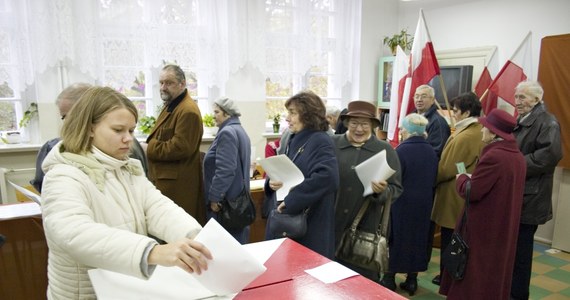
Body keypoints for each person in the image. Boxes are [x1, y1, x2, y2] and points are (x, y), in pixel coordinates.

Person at [41, 86, 212, 299]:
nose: (128, 139)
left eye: (131, 131)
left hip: (121, 288)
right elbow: (75, 233)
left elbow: (157, 208)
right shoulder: (64, 175)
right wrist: (153, 252)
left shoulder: (126, 169)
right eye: (118, 130)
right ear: (90, 128)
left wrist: (196, 237)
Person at [440, 108, 526, 299]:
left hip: (483, 227)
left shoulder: (494, 156)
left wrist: (462, 178)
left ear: (494, 132)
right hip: (502, 226)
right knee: (493, 274)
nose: (481, 131)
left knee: (474, 276)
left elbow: (472, 191)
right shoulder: (517, 157)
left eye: (485, 127)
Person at [30, 83, 148, 193]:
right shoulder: (64, 178)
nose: (128, 138)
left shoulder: (127, 161)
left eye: (66, 116)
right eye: (118, 130)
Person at [332, 100, 403, 282]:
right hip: (331, 225)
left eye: (365, 124)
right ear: (346, 123)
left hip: (365, 229)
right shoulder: (332, 145)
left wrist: (382, 191)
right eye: (354, 123)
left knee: (361, 282)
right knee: (329, 280)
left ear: (373, 125)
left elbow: (396, 189)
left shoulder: (385, 150)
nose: (359, 128)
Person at [265, 91, 339, 258]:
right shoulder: (294, 138)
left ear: (308, 115)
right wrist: (271, 182)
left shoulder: (320, 140)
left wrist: (292, 199)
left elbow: (328, 177)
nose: (287, 118)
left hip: (311, 223)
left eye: (292, 113)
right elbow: (290, 170)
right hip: (294, 220)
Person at [510, 81, 562, 300]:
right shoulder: (523, 119)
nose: (517, 101)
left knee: (521, 253)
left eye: (523, 97)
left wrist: (514, 164)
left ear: (537, 99)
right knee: (513, 252)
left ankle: (518, 295)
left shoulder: (547, 122)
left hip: (530, 197)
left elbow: (550, 156)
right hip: (519, 193)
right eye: (516, 96)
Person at [430, 92, 485, 285]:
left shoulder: (466, 136)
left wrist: (431, 180)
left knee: (450, 239)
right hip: (459, 192)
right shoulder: (475, 131)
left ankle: (447, 277)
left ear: (467, 112)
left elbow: (447, 168)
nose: (452, 114)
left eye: (455, 110)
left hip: (453, 195)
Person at [380, 113, 437, 295]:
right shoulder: (431, 151)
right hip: (424, 203)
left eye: (402, 128)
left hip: (402, 202)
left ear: (408, 131)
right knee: (418, 239)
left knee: (397, 239)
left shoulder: (401, 151)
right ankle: (412, 280)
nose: (401, 131)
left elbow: (393, 179)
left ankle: (389, 278)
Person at [144, 64, 205, 225]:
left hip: (178, 189)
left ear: (182, 84)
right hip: (167, 184)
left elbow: (180, 147)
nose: (163, 87)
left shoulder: (187, 110)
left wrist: (148, 148)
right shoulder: (173, 105)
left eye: (169, 83)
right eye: (161, 83)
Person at [204, 98, 251, 244]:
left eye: (217, 112)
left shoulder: (227, 133)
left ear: (227, 114)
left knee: (226, 246)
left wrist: (215, 198)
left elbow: (225, 170)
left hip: (226, 205)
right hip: (238, 202)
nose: (214, 116)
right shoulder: (240, 130)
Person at [413, 84, 451, 158]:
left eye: (424, 96)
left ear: (432, 100)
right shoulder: (410, 118)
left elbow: (436, 152)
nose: (419, 100)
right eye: (416, 96)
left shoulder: (438, 122)